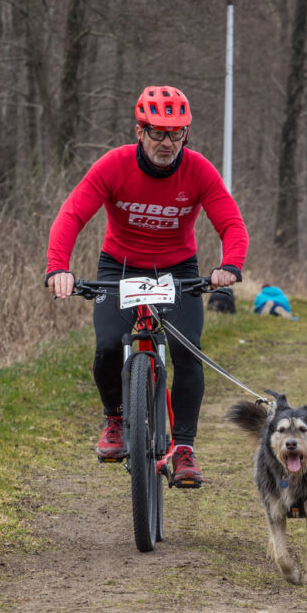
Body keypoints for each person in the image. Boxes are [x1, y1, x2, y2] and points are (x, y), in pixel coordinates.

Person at [45, 85, 248, 488]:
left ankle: (184, 448)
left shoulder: (199, 170)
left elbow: (230, 223)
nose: (167, 142)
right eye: (158, 132)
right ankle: (115, 421)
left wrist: (229, 266)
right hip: (119, 269)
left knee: (188, 351)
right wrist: (58, 268)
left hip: (178, 271)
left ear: (185, 136)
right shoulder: (113, 166)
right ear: (140, 132)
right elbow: (71, 216)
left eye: (176, 133)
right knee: (106, 345)